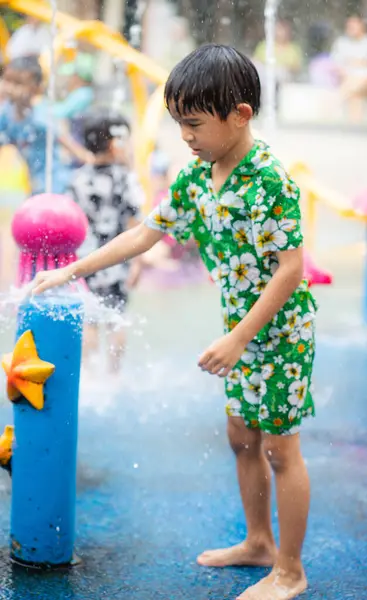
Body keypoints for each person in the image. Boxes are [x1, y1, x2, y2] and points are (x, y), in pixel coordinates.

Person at [31, 44, 317, 600]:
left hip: (279, 332)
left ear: (240, 114)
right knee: (242, 436)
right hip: (240, 328)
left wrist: (238, 338)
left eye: (194, 123)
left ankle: (290, 570)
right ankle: (259, 542)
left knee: (281, 448)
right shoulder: (198, 175)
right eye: (178, 124)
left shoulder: (269, 182)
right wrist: (76, 269)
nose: (184, 136)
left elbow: (290, 272)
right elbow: (145, 234)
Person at [68, 109, 144, 374]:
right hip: (117, 259)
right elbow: (136, 224)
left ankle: (88, 373)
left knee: (89, 319)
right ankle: (113, 375)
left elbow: (72, 222)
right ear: (113, 144)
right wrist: (137, 263)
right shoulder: (124, 178)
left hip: (86, 260)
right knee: (116, 319)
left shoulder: (78, 179)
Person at [0, 56, 93, 195]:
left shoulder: (40, 114)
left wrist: (91, 160)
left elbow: (67, 142)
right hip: (33, 184)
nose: (10, 88)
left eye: (18, 83)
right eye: (7, 80)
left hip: (55, 184)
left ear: (36, 88)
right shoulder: (6, 113)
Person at [331, 15, 367, 122]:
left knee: (351, 88)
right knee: (356, 98)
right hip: (347, 81)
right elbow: (335, 66)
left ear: (362, 26)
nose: (350, 29)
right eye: (348, 26)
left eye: (353, 26)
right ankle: (355, 129)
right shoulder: (341, 43)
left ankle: (330, 110)